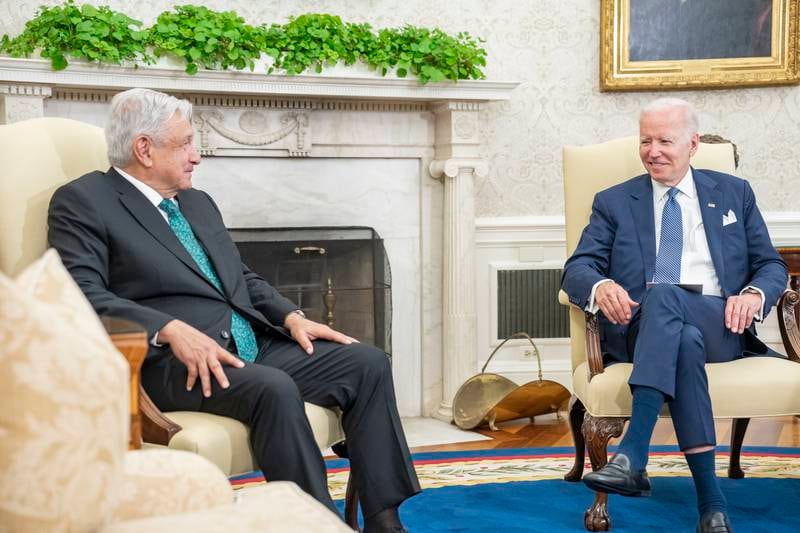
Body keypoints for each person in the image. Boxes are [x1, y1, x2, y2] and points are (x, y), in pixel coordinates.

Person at [48, 88, 420, 532]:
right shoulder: (83, 201)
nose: (197, 155)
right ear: (144, 149)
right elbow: (79, 292)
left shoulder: (198, 202)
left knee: (367, 362)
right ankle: (318, 524)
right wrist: (166, 328)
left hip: (249, 343)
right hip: (171, 362)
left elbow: (239, 278)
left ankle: (385, 521)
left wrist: (291, 317)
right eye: (185, 142)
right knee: (274, 388)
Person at [561, 97, 787, 533]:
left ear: (693, 144)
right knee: (678, 334)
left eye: (665, 140)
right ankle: (711, 505)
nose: (653, 151)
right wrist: (600, 285)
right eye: (646, 140)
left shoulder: (733, 193)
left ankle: (634, 454)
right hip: (642, 330)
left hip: (721, 324)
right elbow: (578, 268)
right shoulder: (614, 201)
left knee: (664, 295)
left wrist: (755, 294)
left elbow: (771, 264)